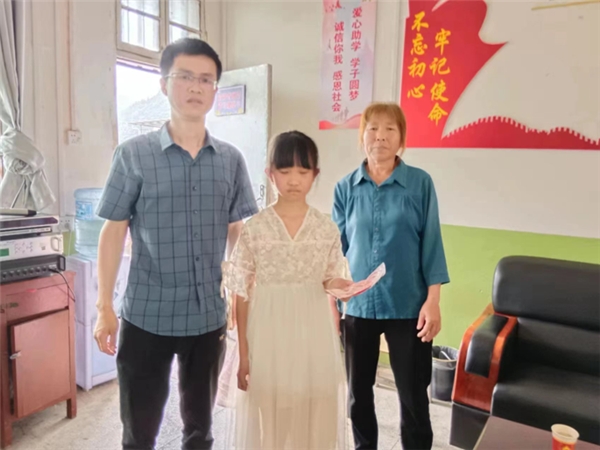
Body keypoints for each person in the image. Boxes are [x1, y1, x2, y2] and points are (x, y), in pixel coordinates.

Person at [93, 38, 258, 450]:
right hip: (147, 314)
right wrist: (104, 306)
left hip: (207, 316)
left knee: (200, 429)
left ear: (215, 89)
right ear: (164, 84)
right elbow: (113, 230)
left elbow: (237, 230)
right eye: (185, 77)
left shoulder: (231, 160)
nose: (196, 87)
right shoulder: (133, 155)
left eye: (206, 79)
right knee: (139, 431)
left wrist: (239, 294)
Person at [220, 131, 353, 449]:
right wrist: (244, 356)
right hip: (268, 333)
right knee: (271, 419)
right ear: (270, 174)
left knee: (313, 415)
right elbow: (241, 294)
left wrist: (345, 288)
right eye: (285, 171)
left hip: (313, 334)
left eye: (303, 171)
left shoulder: (325, 228)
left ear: (315, 174)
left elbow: (331, 278)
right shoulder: (256, 228)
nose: (294, 180)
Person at [332, 102, 450, 450]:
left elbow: (432, 244)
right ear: (362, 136)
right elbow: (334, 254)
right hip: (358, 307)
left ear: (401, 139)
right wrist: (332, 302)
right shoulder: (345, 188)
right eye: (372, 128)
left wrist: (433, 301)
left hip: (408, 305)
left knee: (413, 395)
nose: (380, 136)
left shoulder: (419, 184)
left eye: (390, 129)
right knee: (358, 394)